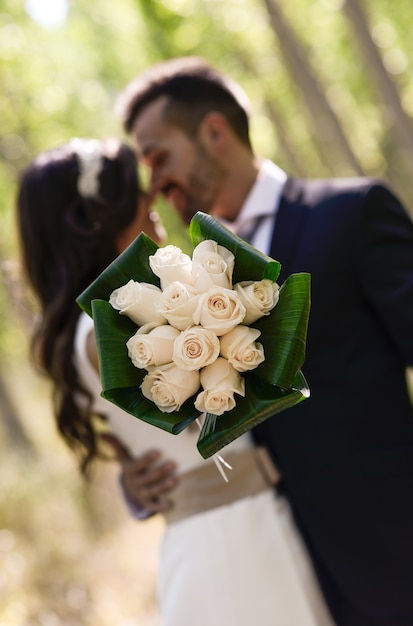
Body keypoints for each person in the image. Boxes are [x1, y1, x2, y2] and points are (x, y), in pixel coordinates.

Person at [115, 56, 413, 626]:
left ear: (214, 132)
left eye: (158, 156)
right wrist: (136, 485)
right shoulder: (185, 285)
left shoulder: (351, 213)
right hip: (278, 572)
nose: (153, 183)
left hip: (394, 544)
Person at [16, 137, 334, 626]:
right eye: (135, 191)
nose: (151, 201)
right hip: (232, 543)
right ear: (96, 216)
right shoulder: (113, 328)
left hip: (236, 529)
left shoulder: (101, 323)